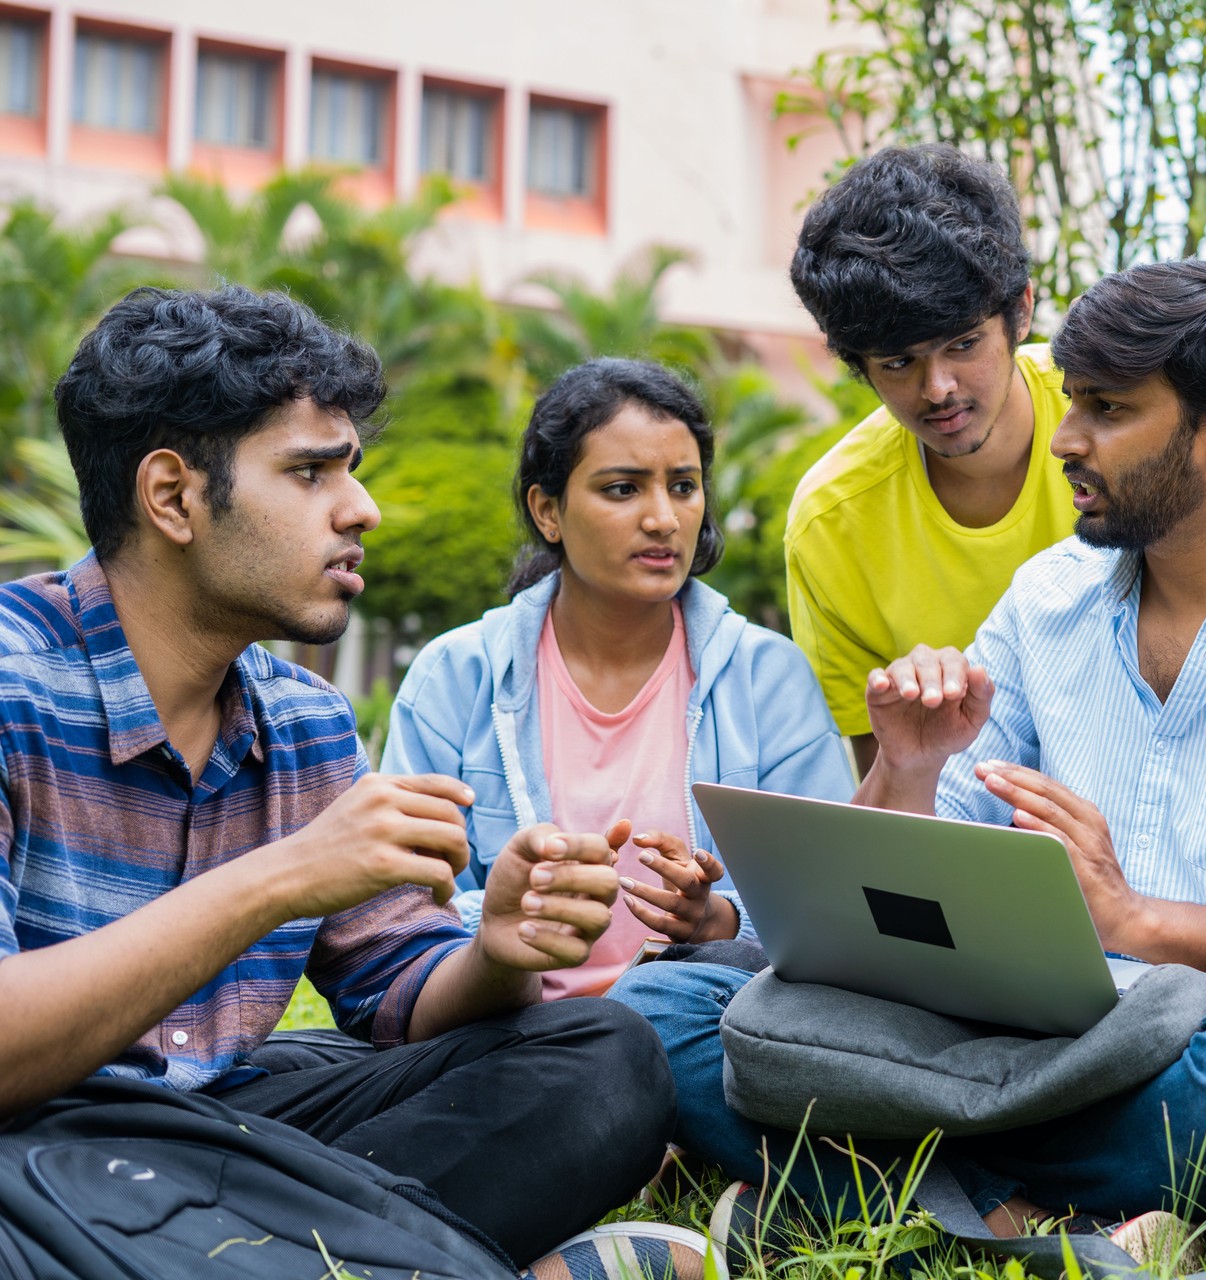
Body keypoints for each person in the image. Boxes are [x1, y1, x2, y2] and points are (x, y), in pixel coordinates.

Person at [615, 260, 1206, 1248]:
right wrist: (905, 763)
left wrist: (1133, 918)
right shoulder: (1046, 598)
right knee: (660, 1006)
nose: (1066, 440)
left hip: (1201, 1040)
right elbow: (895, 909)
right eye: (1073, 403)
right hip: (1001, 1029)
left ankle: (888, 1186)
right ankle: (1040, 1218)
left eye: (1107, 410)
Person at [0, 287, 699, 1279]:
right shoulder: (12, 684)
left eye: (351, 469)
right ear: (172, 496)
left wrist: (500, 949)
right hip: (30, 1137)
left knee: (605, 1053)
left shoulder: (303, 718)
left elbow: (402, 993)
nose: (360, 508)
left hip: (216, 1131)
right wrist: (283, 877)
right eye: (310, 471)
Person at [786, 144, 1206, 772]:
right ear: (857, 366)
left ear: (1020, 310)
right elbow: (896, 787)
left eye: (962, 344)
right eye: (897, 363)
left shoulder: (1127, 407)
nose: (938, 390)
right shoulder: (830, 524)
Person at [382, 359, 853, 998]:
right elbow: (400, 910)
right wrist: (508, 915)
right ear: (548, 510)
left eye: (683, 486)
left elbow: (827, 901)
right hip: (499, 1027)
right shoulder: (456, 677)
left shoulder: (767, 677)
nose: (663, 518)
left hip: (703, 1024)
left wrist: (718, 919)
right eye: (623, 489)